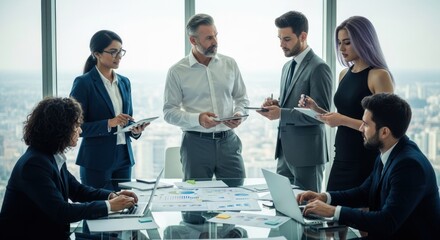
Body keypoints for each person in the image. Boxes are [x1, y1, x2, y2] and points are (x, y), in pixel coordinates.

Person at [297, 93, 440, 239]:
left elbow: (387, 222)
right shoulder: (390, 150)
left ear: (384, 132)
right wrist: (325, 197)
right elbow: (364, 192)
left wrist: (333, 211)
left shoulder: (409, 166)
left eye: (365, 124)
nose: (360, 128)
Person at [0, 97, 138, 239]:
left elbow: (77, 190)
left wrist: (112, 196)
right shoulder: (34, 165)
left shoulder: (51, 155)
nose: (80, 130)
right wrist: (109, 205)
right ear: (61, 128)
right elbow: (61, 211)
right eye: (76, 125)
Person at [298, 16, 394, 191]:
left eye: (347, 42)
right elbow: (343, 114)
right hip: (342, 156)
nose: (341, 48)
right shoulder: (344, 73)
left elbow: (385, 128)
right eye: (339, 42)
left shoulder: (379, 76)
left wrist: (341, 120)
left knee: (355, 214)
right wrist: (315, 108)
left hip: (365, 159)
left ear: (364, 41)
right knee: (332, 211)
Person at [163, 13, 249, 187]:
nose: (215, 41)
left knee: (237, 196)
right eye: (209, 38)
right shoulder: (177, 71)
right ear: (193, 41)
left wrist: (239, 113)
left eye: (216, 35)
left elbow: (242, 99)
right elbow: (169, 112)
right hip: (195, 144)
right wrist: (198, 119)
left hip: (228, 142)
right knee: (194, 203)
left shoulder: (230, 64)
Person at [258, 11, 333, 192]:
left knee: (309, 212)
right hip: (284, 153)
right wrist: (276, 105)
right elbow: (291, 104)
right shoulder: (287, 67)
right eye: (279, 39)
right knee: (284, 208)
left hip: (308, 156)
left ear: (303, 36)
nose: (281, 45)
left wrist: (281, 113)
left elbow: (320, 115)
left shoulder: (319, 68)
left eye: (287, 39)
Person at [70, 30, 148, 191]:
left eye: (120, 51)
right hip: (96, 161)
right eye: (113, 52)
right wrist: (109, 123)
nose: (118, 56)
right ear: (97, 54)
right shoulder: (84, 83)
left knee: (125, 208)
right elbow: (75, 127)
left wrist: (135, 130)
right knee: (99, 210)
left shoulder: (124, 82)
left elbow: (127, 119)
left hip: (124, 158)